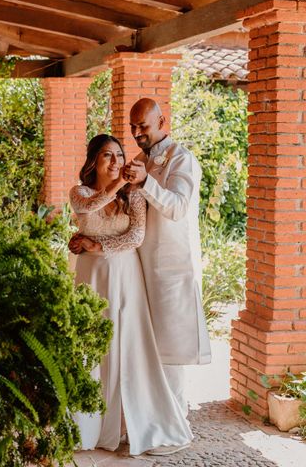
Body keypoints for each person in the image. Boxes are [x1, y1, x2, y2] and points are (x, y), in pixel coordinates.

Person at [69, 134, 192, 457]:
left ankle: (131, 423)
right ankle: (86, 424)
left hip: (125, 275)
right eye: (107, 156)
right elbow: (88, 207)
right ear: (93, 161)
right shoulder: (80, 192)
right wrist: (113, 187)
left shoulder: (135, 195)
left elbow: (136, 236)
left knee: (127, 345)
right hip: (90, 278)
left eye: (120, 156)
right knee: (90, 346)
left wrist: (99, 246)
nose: (115, 162)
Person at [123, 98, 211, 433]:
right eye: (133, 127)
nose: (136, 133)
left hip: (173, 268)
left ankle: (176, 424)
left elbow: (176, 207)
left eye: (142, 126)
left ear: (163, 121)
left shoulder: (183, 159)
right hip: (140, 265)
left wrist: (145, 182)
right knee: (146, 346)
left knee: (171, 351)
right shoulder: (138, 161)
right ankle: (151, 418)